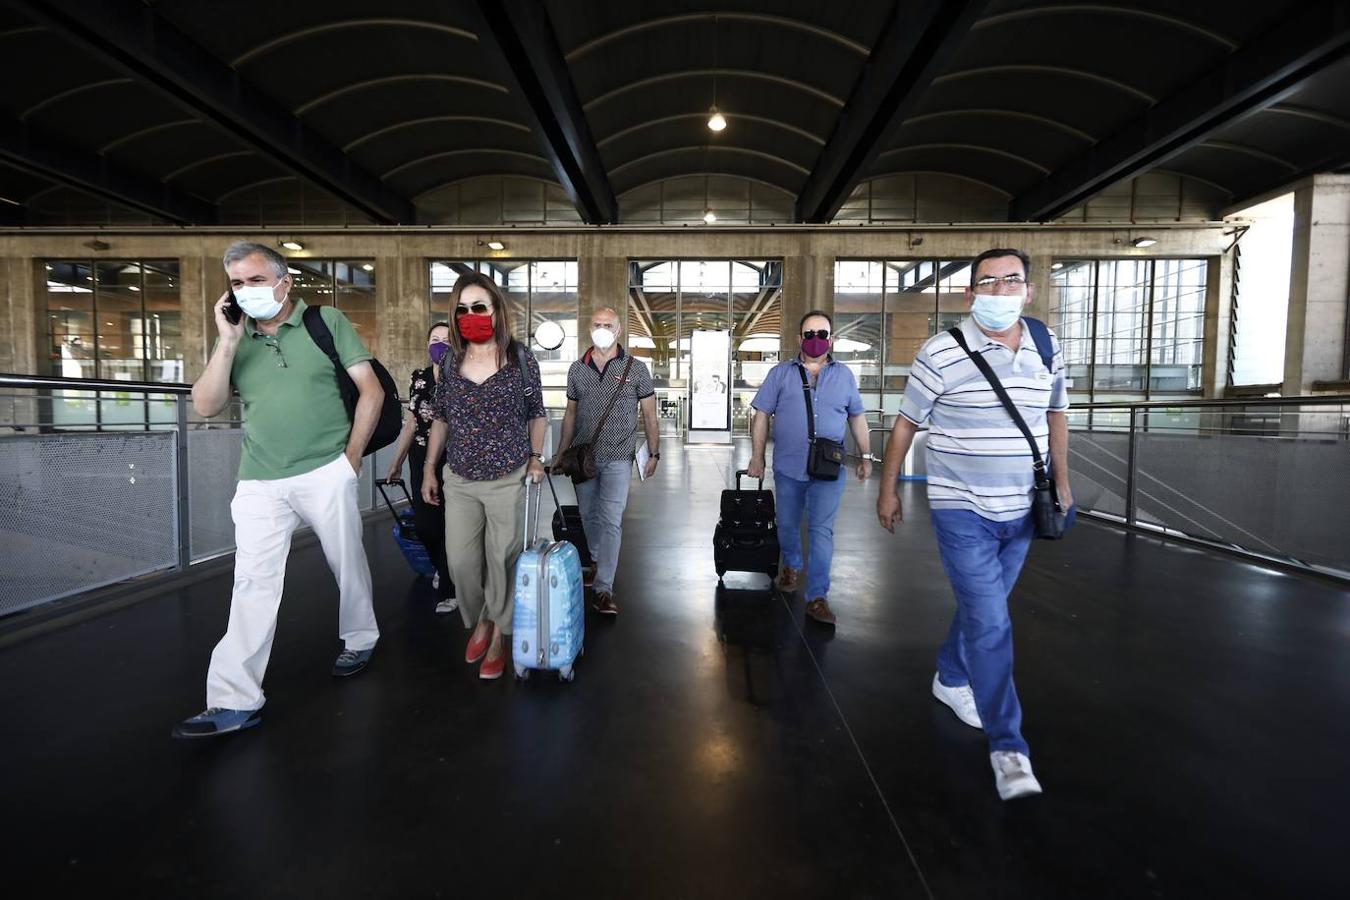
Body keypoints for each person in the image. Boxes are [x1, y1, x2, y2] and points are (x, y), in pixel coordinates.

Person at [876, 248, 1073, 801]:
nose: (999, 290)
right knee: (991, 622)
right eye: (987, 282)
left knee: (983, 608)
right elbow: (905, 424)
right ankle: (1008, 747)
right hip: (961, 507)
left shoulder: (1047, 346)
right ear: (970, 294)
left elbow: (1056, 414)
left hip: (1024, 508)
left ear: (1028, 290)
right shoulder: (941, 352)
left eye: (1011, 280)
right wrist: (888, 490)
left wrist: (1062, 481)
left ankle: (950, 675)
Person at [173, 241, 383, 738]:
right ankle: (233, 699)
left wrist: (349, 461)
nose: (247, 290)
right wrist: (226, 341)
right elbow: (204, 405)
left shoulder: (325, 322)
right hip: (260, 479)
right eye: (237, 283)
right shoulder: (237, 338)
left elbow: (371, 391)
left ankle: (361, 636)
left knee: (346, 561)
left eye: (256, 279)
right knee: (252, 583)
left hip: (324, 470)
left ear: (285, 281)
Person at [422, 273, 546, 681]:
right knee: (460, 562)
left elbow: (537, 414)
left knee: (502, 560)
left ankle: (498, 634)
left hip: (508, 476)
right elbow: (440, 417)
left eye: (479, 307)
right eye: (462, 309)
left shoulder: (521, 359)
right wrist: (429, 467)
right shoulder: (449, 362)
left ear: (495, 311)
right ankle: (482, 617)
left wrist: (534, 458)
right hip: (459, 478)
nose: (470, 315)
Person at [747, 310, 872, 626]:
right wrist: (757, 457)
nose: (815, 340)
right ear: (799, 338)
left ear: (832, 339)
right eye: (809, 334)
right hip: (789, 467)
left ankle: (817, 596)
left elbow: (856, 416)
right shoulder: (780, 374)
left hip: (829, 469)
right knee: (787, 524)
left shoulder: (844, 376)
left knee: (821, 530)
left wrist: (866, 455)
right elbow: (761, 415)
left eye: (822, 334)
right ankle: (791, 563)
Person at [554, 306, 659, 616]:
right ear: (590, 328)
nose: (601, 328)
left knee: (611, 519)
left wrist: (653, 452)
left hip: (619, 457)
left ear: (618, 330)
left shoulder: (636, 369)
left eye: (607, 324)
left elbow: (650, 414)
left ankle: (604, 588)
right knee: (588, 515)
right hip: (583, 457)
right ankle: (598, 559)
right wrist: (561, 453)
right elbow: (570, 414)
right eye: (597, 324)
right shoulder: (577, 369)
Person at [385, 322, 457, 612]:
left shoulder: (464, 378)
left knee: (453, 524)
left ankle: (452, 586)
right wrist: (397, 461)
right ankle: (443, 566)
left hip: (455, 459)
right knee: (427, 524)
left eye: (446, 340)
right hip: (420, 457)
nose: (440, 344)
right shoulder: (419, 378)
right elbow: (412, 423)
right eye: (435, 339)